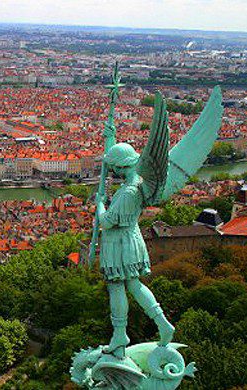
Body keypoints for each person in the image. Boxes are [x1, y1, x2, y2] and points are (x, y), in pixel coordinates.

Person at [95, 142, 175, 358]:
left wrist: (99, 204)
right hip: (131, 238)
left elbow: (107, 222)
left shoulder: (128, 192)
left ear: (120, 168)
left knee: (116, 286)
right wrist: (110, 138)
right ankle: (163, 324)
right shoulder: (139, 183)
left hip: (119, 243)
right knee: (134, 285)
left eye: (114, 167)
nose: (112, 171)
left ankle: (120, 334)